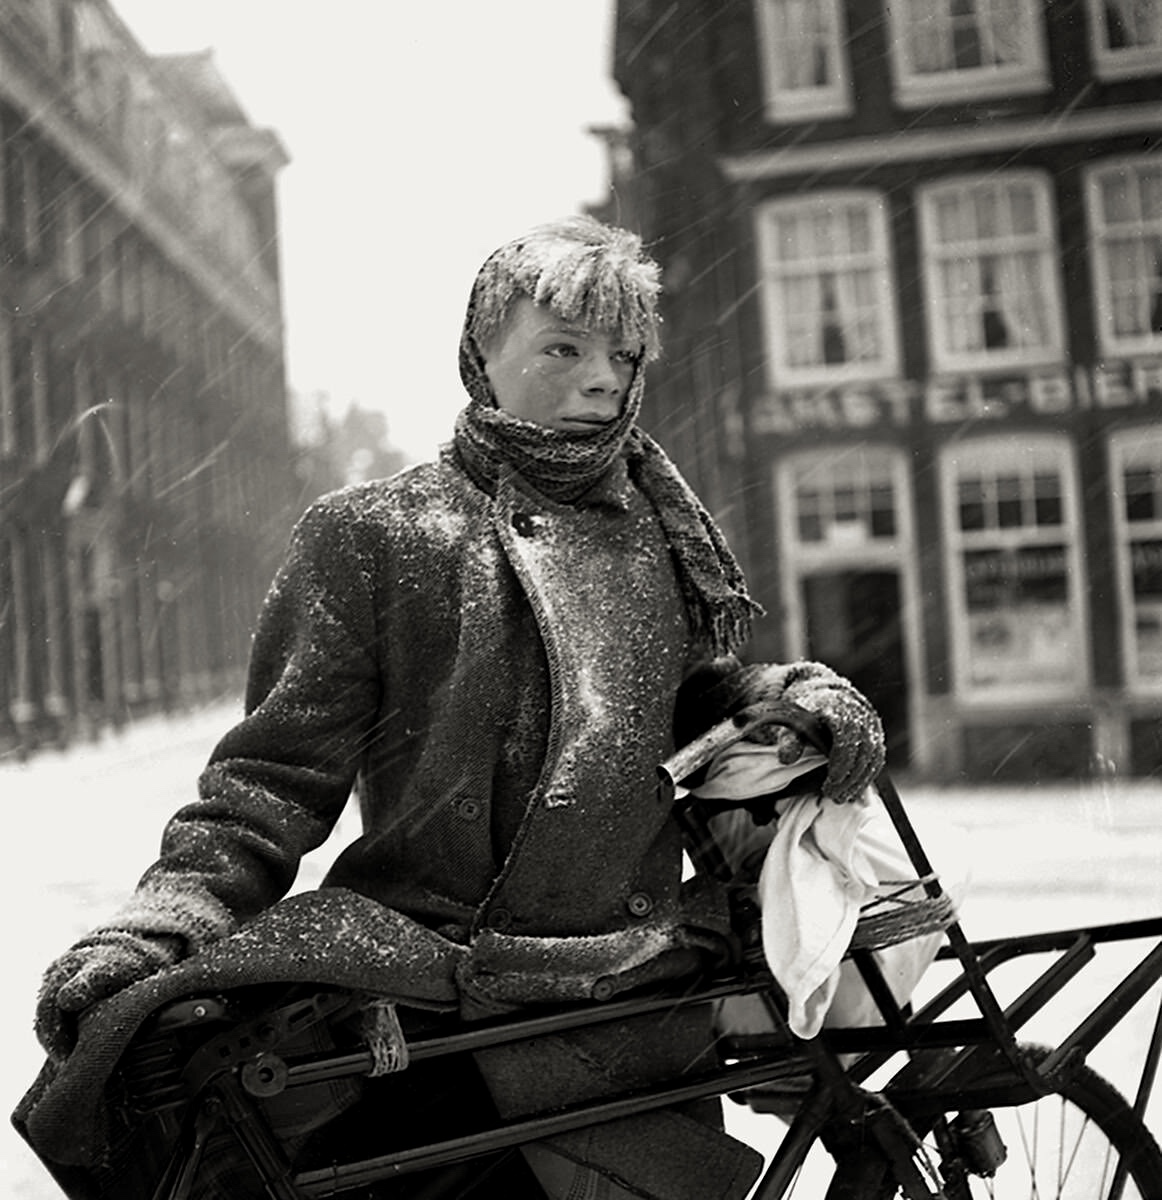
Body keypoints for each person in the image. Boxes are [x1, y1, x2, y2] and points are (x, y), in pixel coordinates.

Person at [29, 216, 885, 1199]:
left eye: (622, 353)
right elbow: (268, 781)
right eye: (562, 349)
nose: (601, 380)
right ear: (480, 358)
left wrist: (789, 699)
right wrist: (168, 916)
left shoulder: (664, 542)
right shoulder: (373, 538)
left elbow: (693, 721)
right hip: (440, 1023)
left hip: (631, 1009)